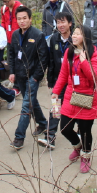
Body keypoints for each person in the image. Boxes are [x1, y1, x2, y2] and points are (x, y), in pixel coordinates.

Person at [51, 25, 97, 174]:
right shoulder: (69, 51)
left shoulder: (93, 53)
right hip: (70, 96)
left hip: (86, 98)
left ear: (85, 37)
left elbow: (94, 76)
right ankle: (77, 146)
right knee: (65, 128)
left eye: (77, 34)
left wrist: (84, 61)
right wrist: (56, 91)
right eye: (74, 33)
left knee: (85, 131)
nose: (73, 36)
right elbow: (63, 74)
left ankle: (85, 156)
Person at [8, 6, 49, 150]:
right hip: (20, 76)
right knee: (32, 101)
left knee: (26, 106)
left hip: (33, 77)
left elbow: (44, 59)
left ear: (30, 19)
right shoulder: (14, 35)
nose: (22, 21)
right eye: (19, 19)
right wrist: (12, 71)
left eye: (25, 18)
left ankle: (19, 137)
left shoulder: (38, 35)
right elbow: (11, 54)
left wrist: (37, 77)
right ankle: (43, 123)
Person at [38, 12, 74, 150]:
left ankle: (76, 133)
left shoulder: (75, 39)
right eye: (58, 22)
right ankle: (50, 136)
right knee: (56, 107)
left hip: (74, 82)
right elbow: (51, 61)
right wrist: (51, 80)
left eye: (63, 22)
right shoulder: (54, 39)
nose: (61, 25)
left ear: (70, 23)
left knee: (73, 109)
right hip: (59, 80)